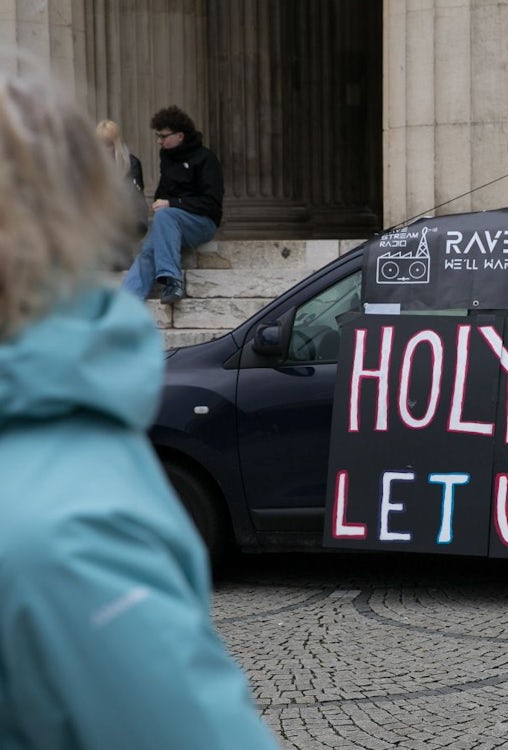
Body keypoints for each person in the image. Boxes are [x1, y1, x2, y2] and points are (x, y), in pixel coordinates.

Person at [0, 55, 278, 749]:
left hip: (192, 223)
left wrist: (172, 204)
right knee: (160, 230)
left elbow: (207, 203)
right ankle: (162, 285)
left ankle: (159, 282)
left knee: (166, 228)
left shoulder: (64, 507)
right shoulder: (73, 526)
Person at [122, 105, 223, 304]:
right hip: (172, 222)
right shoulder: (167, 157)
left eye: (163, 136)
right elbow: (164, 192)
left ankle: (173, 279)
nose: (159, 141)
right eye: (157, 136)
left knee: (165, 216)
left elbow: (211, 203)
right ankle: (126, 302)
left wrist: (173, 203)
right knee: (149, 249)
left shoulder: (206, 159)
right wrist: (161, 202)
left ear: (180, 136)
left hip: (202, 223)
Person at [95, 118, 148, 241]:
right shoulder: (92, 165)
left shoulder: (131, 163)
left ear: (116, 144)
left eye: (108, 144)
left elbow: (134, 198)